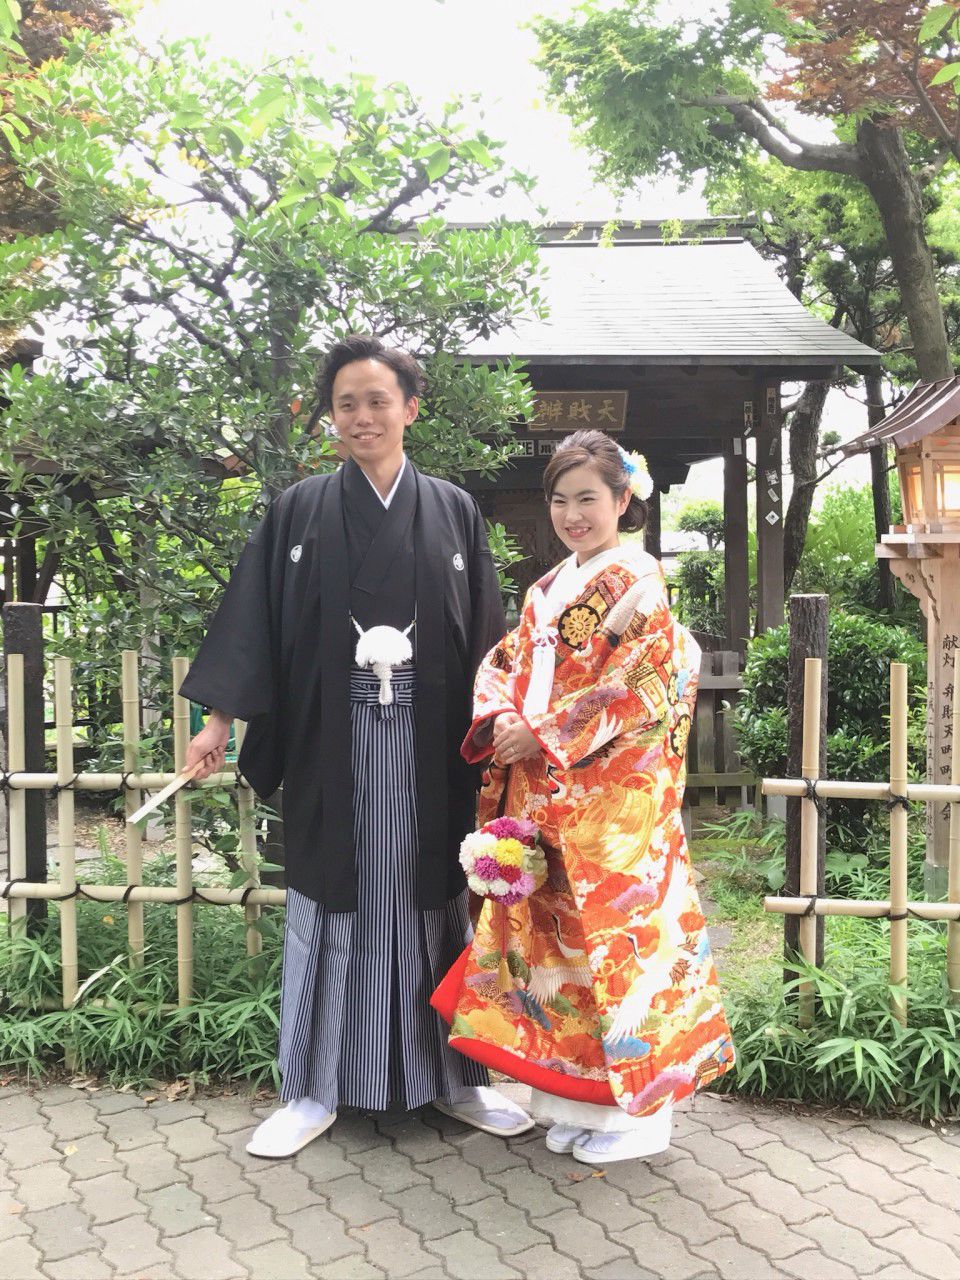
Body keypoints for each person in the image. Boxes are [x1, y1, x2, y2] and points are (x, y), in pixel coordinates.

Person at [181, 334, 533, 1156]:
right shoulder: (299, 511)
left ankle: (458, 1080)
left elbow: (487, 634)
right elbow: (255, 623)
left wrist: (504, 722)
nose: (363, 416)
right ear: (330, 418)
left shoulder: (452, 510)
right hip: (329, 742)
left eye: (378, 400)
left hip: (431, 743)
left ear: (410, 408)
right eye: (347, 404)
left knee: (436, 903)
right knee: (332, 904)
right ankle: (312, 1089)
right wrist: (219, 720)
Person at [433, 429, 733, 1164]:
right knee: (557, 956)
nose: (573, 515)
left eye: (589, 499)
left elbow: (637, 686)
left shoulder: (640, 584)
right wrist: (501, 716)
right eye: (561, 500)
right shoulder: (547, 589)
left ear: (623, 500)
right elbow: (505, 663)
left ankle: (640, 1119)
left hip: (611, 803)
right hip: (547, 795)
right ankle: (575, 1105)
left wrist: (541, 732)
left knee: (619, 952)